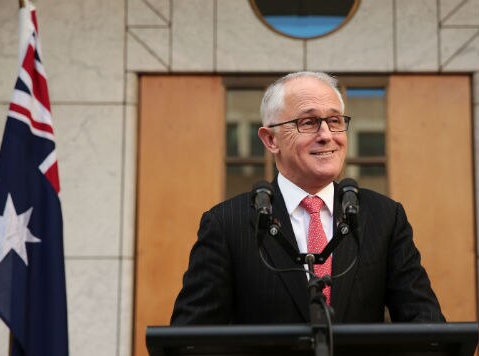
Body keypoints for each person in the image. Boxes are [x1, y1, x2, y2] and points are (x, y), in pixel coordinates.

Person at [171, 71, 444, 325]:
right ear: (270, 140)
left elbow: (426, 325)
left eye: (335, 121)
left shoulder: (384, 217)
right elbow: (191, 340)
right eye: (308, 122)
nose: (326, 136)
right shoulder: (226, 224)